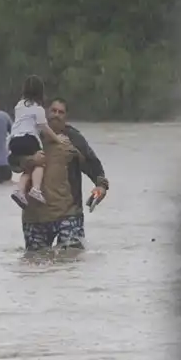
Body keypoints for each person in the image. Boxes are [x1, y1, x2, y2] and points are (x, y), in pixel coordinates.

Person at [21, 98, 109, 252]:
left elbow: (91, 163)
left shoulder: (73, 138)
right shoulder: (31, 135)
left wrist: (101, 185)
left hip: (68, 213)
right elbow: (13, 161)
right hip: (35, 216)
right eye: (53, 111)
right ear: (46, 113)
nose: (56, 115)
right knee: (35, 264)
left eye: (60, 112)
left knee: (71, 262)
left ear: (66, 116)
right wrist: (31, 160)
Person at [8, 75, 69, 208]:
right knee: (40, 163)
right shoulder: (39, 109)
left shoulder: (18, 106)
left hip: (14, 140)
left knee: (28, 169)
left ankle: (19, 190)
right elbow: (44, 127)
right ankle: (35, 189)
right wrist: (58, 140)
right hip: (28, 138)